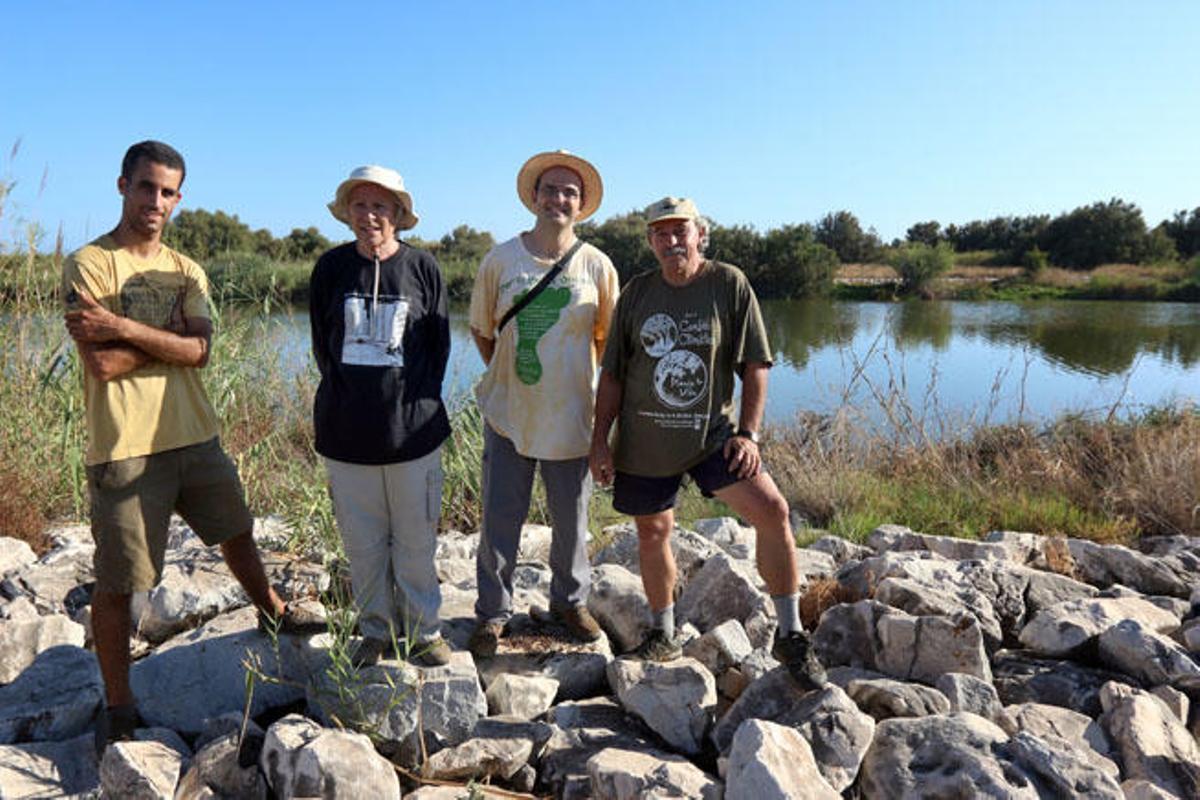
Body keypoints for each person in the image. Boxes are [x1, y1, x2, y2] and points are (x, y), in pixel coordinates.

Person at [62, 141, 325, 754]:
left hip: (195, 434)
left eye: (168, 192)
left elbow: (201, 352)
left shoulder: (188, 270)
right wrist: (170, 337)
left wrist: (125, 326)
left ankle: (271, 609)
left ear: (179, 198)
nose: (156, 201)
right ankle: (120, 704)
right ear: (123, 185)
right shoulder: (90, 264)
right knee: (119, 579)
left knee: (236, 530)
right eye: (147, 187)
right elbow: (100, 365)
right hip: (124, 445)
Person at [589, 196, 826, 689]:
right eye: (660, 233)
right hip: (645, 439)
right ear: (651, 241)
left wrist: (749, 433)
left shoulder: (728, 283)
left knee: (773, 512)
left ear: (700, 235)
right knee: (653, 533)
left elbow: (755, 366)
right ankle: (664, 632)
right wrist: (600, 441)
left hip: (712, 436)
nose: (671, 240)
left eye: (681, 231)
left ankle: (791, 634)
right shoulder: (636, 293)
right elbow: (611, 374)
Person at [467, 151, 619, 657]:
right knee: (499, 518)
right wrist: (516, 370)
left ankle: (569, 603)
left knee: (572, 520)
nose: (558, 199)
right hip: (510, 413)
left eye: (569, 193)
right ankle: (492, 614)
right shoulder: (500, 259)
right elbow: (483, 332)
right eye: (550, 190)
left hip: (572, 415)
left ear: (581, 206)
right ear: (534, 197)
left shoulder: (597, 266)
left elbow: (607, 344)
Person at [310, 165, 452, 667]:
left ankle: (423, 632)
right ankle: (374, 630)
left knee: (416, 540)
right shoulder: (330, 269)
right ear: (347, 213)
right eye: (360, 205)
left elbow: (438, 348)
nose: (370, 215)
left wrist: (412, 404)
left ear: (397, 214)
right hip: (346, 434)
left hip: (414, 435)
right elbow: (322, 348)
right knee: (363, 544)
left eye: (381, 206)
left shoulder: (423, 268)